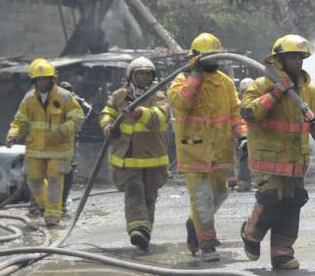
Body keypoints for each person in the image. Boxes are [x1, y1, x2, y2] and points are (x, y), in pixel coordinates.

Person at [239, 34, 315, 270]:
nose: (298, 61)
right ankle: (251, 235)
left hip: (295, 160)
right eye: (293, 56)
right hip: (268, 158)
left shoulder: (308, 89)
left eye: (301, 57)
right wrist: (275, 94)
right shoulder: (262, 84)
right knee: (271, 199)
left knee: (292, 203)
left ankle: (282, 254)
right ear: (279, 59)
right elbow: (249, 113)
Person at [168, 33, 247, 262]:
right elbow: (181, 102)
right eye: (207, 58)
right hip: (194, 152)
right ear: (195, 59)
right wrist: (195, 76)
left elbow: (235, 113)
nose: (213, 62)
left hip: (220, 151)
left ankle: (195, 223)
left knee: (220, 194)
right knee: (202, 199)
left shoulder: (225, 82)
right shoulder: (181, 80)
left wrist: (241, 135)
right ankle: (207, 244)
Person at [98, 57, 171, 251]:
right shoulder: (118, 96)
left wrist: (140, 113)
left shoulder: (158, 97)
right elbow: (107, 112)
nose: (144, 77)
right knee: (134, 191)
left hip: (152, 158)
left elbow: (161, 119)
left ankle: (144, 232)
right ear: (131, 75)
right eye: (140, 73)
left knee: (148, 197)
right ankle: (137, 229)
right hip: (126, 158)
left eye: (148, 74)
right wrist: (106, 125)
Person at [6, 58, 84, 227]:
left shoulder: (64, 97)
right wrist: (13, 134)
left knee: (55, 181)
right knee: (34, 181)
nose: (42, 82)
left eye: (45, 78)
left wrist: (60, 132)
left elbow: (78, 119)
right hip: (35, 150)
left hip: (59, 149)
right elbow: (20, 121)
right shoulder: (29, 99)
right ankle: (45, 206)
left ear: (52, 79)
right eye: (39, 79)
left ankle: (53, 216)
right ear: (34, 80)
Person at [58, 80, 92, 212]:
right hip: (56, 137)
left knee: (67, 169)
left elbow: (87, 109)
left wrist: (78, 126)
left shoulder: (74, 100)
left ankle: (61, 202)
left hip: (69, 138)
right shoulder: (54, 100)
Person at [234, 77, 255, 192]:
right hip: (245, 135)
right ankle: (245, 183)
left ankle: (253, 182)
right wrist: (243, 135)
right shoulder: (238, 104)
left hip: (254, 134)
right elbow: (239, 120)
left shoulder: (255, 101)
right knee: (244, 157)